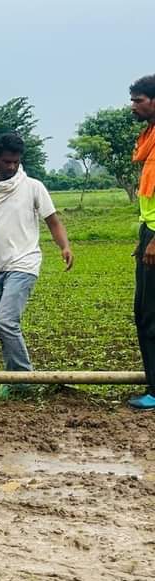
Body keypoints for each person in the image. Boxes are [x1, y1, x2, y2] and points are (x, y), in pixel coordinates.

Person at [0, 132, 73, 380]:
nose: (11, 166)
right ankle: (13, 380)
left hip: (25, 263)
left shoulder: (33, 187)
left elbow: (53, 221)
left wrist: (64, 246)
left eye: (15, 162)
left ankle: (24, 380)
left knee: (6, 322)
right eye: (6, 162)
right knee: (3, 327)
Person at [128, 73, 155, 410]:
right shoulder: (149, 138)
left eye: (139, 100)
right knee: (144, 311)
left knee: (151, 314)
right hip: (148, 230)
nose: (133, 106)